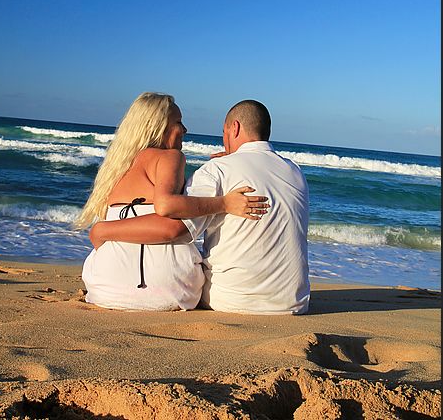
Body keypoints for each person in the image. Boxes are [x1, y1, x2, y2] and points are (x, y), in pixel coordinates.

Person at [90, 100, 310, 315]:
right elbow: (170, 217)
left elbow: (177, 226)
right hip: (294, 301)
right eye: (180, 122)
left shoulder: (121, 166)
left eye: (223, 133)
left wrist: (102, 229)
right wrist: (224, 199)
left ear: (234, 128)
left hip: (228, 299)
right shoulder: (295, 171)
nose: (185, 129)